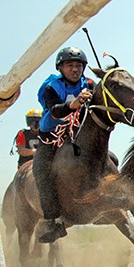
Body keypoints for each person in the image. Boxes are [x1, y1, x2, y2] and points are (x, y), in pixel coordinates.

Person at [33, 46, 94, 243]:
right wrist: (73, 104)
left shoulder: (90, 84)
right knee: (41, 170)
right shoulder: (50, 86)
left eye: (78, 65)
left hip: (76, 136)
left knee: (111, 159)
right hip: (51, 139)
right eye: (70, 65)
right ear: (60, 67)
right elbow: (55, 111)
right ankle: (53, 220)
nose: (75, 69)